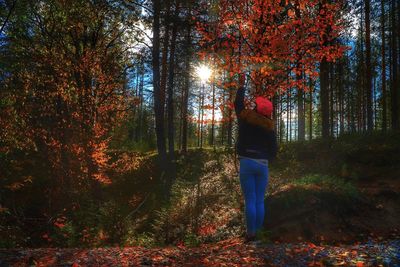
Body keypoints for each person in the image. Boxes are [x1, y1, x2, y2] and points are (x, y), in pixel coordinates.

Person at [234, 74, 278, 243]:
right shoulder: (270, 128)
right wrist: (267, 159)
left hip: (246, 162)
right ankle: (258, 234)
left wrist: (241, 86)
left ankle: (250, 234)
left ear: (257, 108)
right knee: (259, 200)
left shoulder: (246, 118)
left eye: (255, 105)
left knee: (250, 200)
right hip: (262, 165)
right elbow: (274, 150)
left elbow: (237, 104)